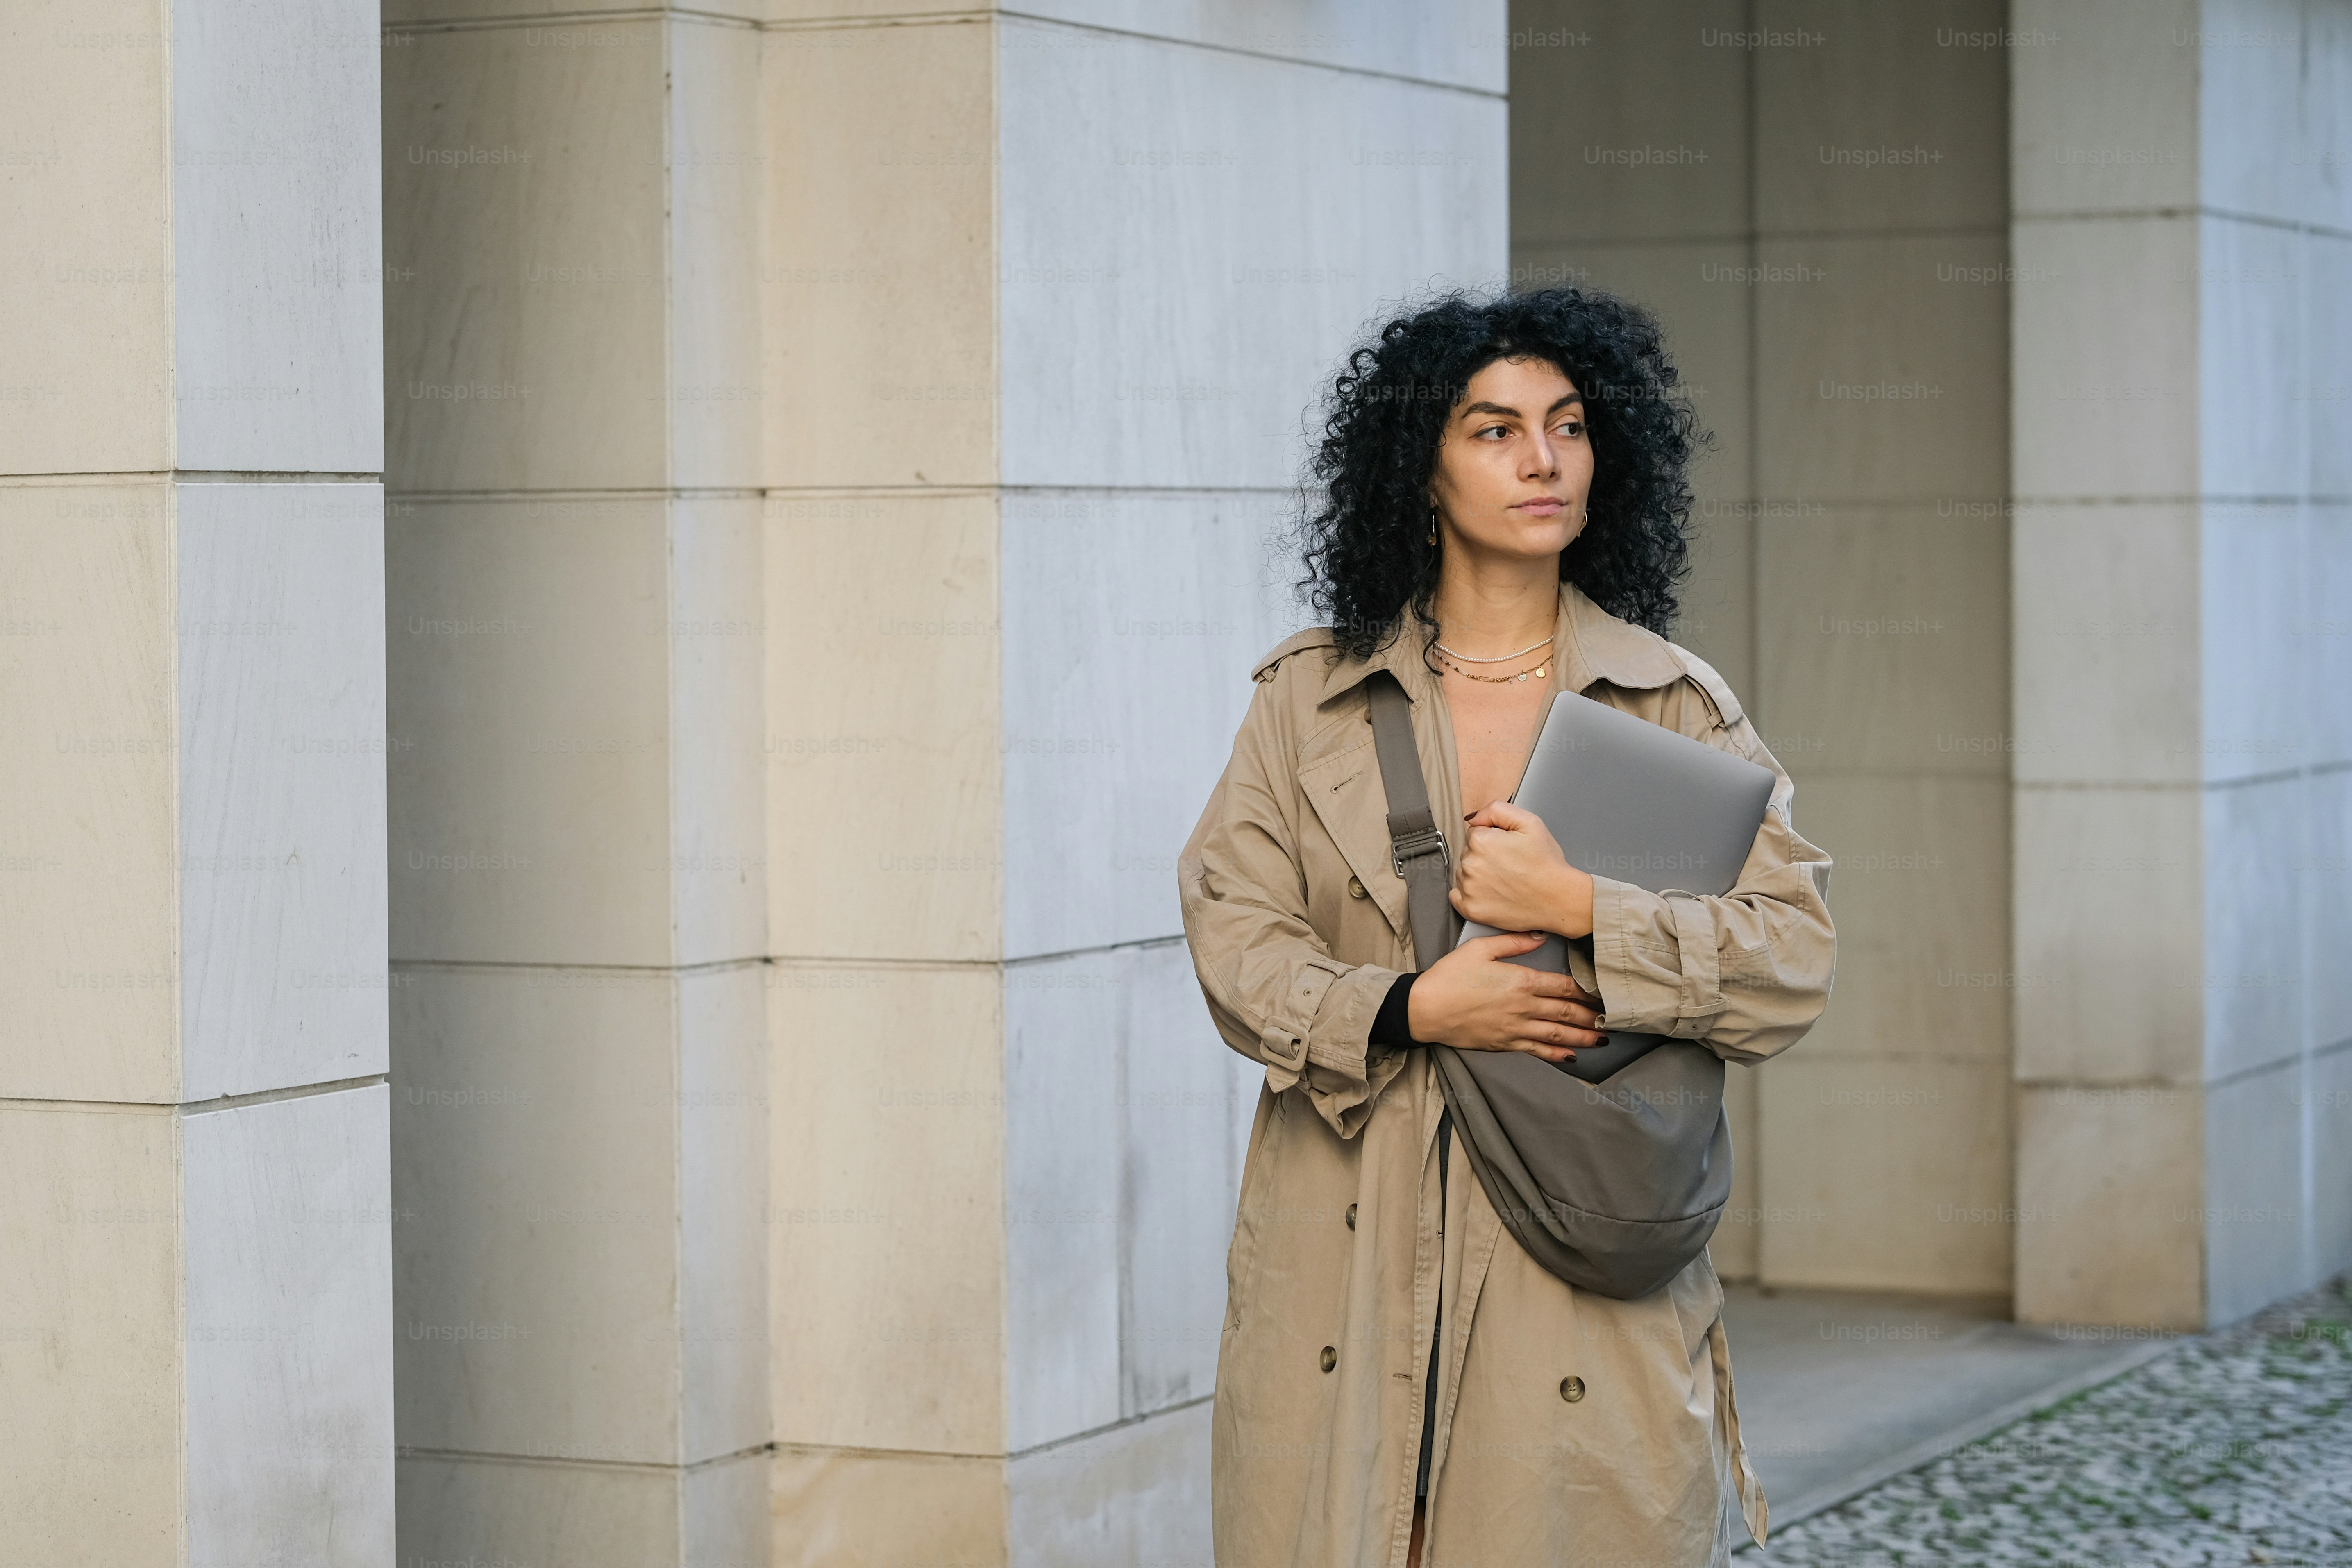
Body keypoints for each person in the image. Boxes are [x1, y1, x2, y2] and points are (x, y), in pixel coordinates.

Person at [1177, 288, 1835, 1567]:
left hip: (1573, 1286)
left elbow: (1791, 956)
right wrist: (1412, 1009)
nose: (1542, 458)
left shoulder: (1667, 702)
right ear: (1417, 468)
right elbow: (1231, 937)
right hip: (1342, 1272)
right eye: (1493, 429)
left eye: (1569, 424)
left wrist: (1583, 911)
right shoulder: (1308, 698)